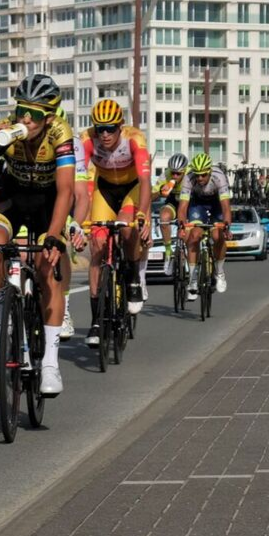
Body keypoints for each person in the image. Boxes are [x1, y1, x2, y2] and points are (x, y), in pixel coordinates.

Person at [0, 74, 77, 395]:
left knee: (45, 267)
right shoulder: (3, 129)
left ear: (49, 116)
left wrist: (54, 236)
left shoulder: (59, 133)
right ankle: (3, 319)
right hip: (12, 195)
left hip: (48, 200)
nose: (25, 118)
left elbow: (66, 190)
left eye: (35, 114)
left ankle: (50, 362)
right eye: (21, 110)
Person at [74, 99, 153, 349]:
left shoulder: (135, 139)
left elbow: (145, 181)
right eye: (100, 128)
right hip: (104, 190)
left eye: (110, 128)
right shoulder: (86, 139)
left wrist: (144, 216)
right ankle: (97, 321)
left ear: (120, 126)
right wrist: (79, 222)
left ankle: (132, 279)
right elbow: (80, 179)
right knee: (97, 244)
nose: (105, 134)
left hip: (132, 189)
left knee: (128, 227)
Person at [176, 153, 233, 298]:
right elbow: (183, 207)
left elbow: (226, 207)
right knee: (194, 235)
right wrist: (182, 225)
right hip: (198, 204)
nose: (200, 178)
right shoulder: (188, 178)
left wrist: (227, 226)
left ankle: (219, 272)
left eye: (203, 175)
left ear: (209, 171)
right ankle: (193, 279)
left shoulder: (219, 177)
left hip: (216, 204)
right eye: (197, 175)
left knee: (217, 235)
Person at [157, 153, 189, 275]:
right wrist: (161, 191)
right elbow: (152, 195)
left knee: (185, 225)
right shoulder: (165, 175)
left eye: (178, 173)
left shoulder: (190, 176)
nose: (174, 176)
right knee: (164, 217)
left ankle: (186, 255)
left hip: (188, 202)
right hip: (173, 201)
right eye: (173, 173)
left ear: (185, 171)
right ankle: (169, 253)